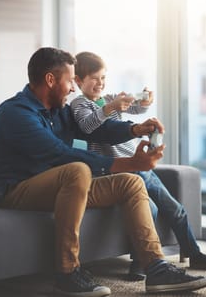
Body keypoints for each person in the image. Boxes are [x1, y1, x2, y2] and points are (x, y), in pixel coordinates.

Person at [0, 47, 206, 297]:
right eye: (70, 81)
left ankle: (156, 268)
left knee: (131, 183)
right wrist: (130, 163)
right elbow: (60, 154)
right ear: (50, 80)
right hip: (14, 192)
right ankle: (67, 273)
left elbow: (97, 130)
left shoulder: (59, 112)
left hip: (59, 188)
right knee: (77, 169)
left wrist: (136, 130)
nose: (72, 89)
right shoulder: (16, 114)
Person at [70, 50, 206, 282]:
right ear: (79, 80)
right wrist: (110, 107)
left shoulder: (108, 98)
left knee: (175, 209)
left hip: (140, 167)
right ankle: (141, 262)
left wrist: (144, 102)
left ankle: (193, 253)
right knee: (149, 211)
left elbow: (134, 108)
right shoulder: (79, 104)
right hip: (119, 171)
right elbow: (87, 126)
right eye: (94, 79)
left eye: (103, 78)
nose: (100, 83)